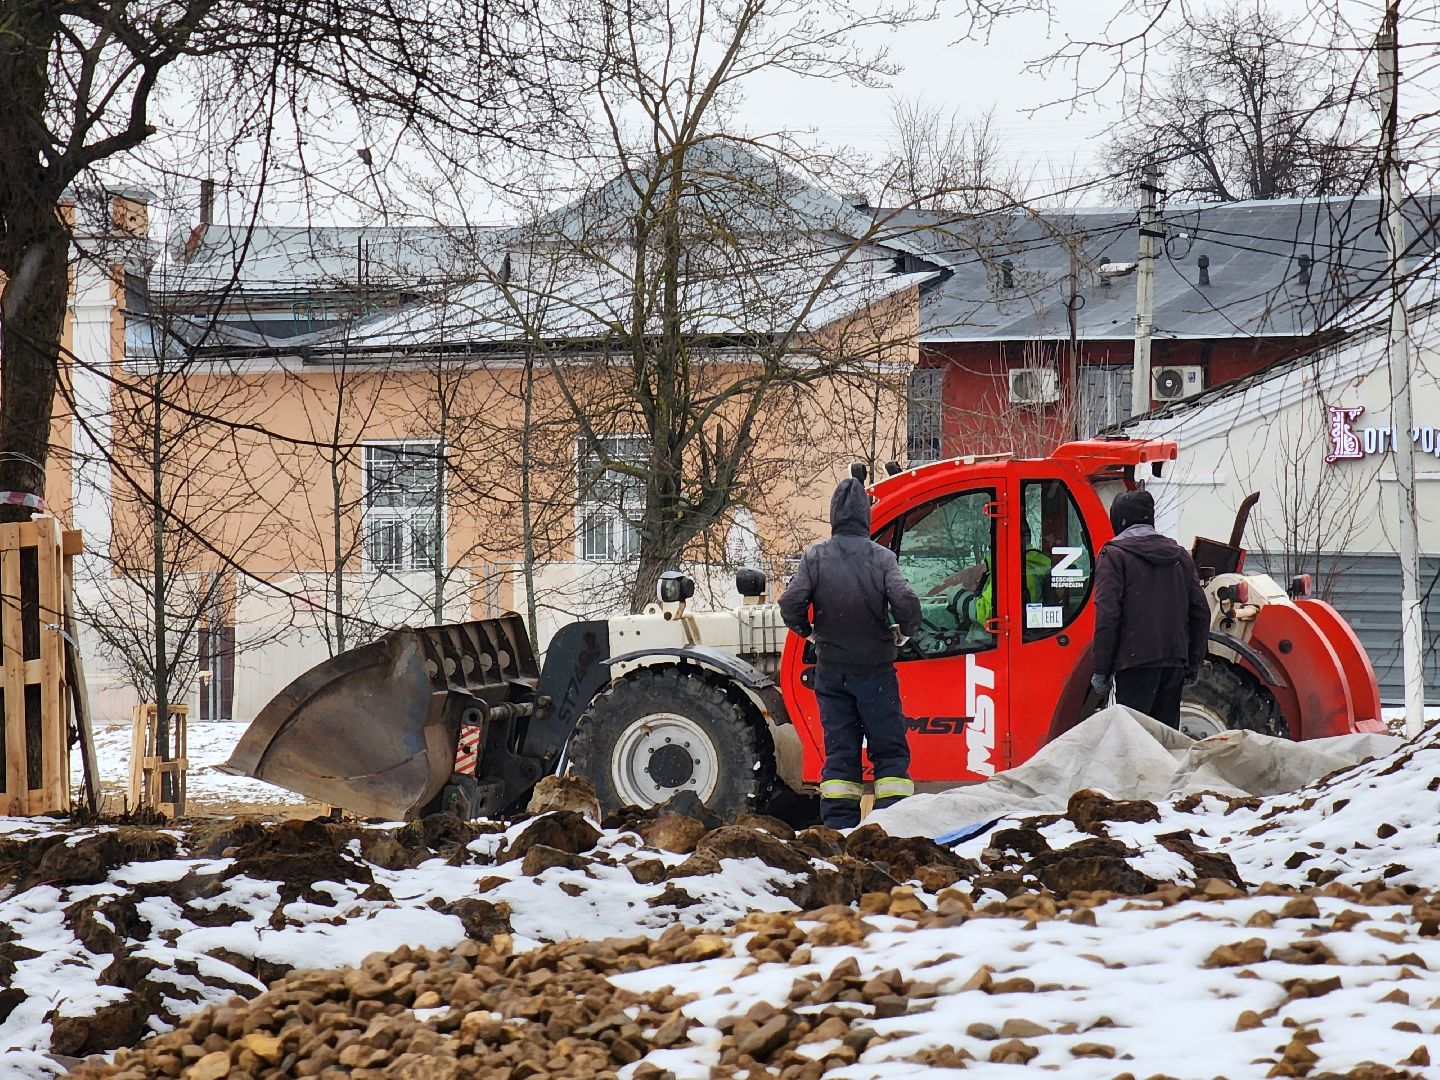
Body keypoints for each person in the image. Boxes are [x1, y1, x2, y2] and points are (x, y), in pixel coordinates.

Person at [778, 474, 922, 828]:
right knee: (889, 750)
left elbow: (790, 603)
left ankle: (839, 828)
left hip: (832, 673)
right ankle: (892, 825)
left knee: (840, 753)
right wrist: (904, 633)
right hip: (876, 672)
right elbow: (906, 600)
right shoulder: (881, 558)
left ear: (834, 516)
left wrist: (810, 634)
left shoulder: (815, 557)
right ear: (865, 516)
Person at [1091, 488, 1211, 729]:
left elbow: (1108, 616)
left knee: (1127, 737)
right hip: (1173, 662)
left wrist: (1101, 670)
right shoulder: (1180, 556)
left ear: (1119, 520)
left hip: (1131, 665)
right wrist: (1192, 662)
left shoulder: (1114, 556)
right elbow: (1201, 612)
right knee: (1163, 739)